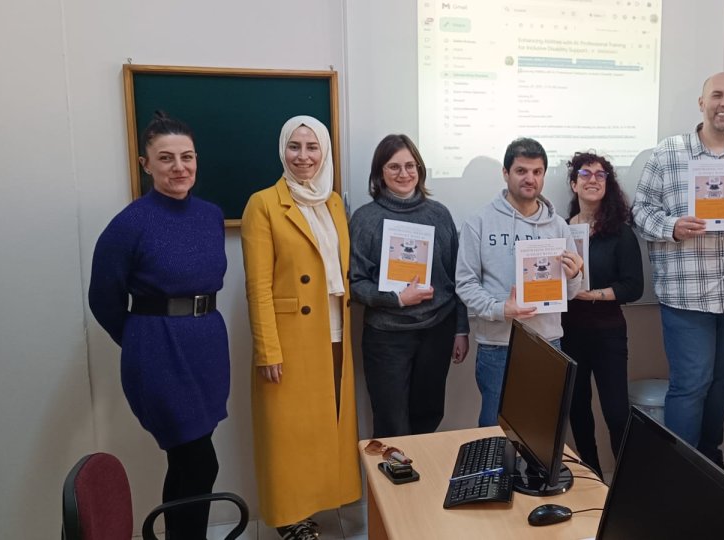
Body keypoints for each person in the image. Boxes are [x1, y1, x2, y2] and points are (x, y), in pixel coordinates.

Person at [630, 72, 724, 466]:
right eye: (717, 95)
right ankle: (684, 472)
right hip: (687, 293)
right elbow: (641, 211)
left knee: (722, 383)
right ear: (702, 103)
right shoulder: (668, 153)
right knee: (690, 384)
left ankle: (710, 461)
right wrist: (672, 227)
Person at [88, 111, 228, 539]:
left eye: (187, 156)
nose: (179, 167)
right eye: (166, 158)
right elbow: (103, 300)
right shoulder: (129, 225)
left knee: (185, 464)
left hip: (207, 352)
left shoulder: (210, 215)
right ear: (145, 164)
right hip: (159, 356)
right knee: (201, 463)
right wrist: (140, 342)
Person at [241, 115, 359, 539]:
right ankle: (288, 518)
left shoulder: (333, 203)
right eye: (295, 146)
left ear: (324, 152)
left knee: (324, 427)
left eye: (312, 147)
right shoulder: (263, 204)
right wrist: (267, 349)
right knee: (288, 434)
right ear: (282, 151)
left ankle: (319, 504)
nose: (303, 156)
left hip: (335, 331)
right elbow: (257, 286)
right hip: (291, 339)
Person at [455, 137, 585, 427]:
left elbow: (570, 293)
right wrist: (501, 309)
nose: (530, 179)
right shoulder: (479, 222)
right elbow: (465, 283)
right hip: (498, 344)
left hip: (548, 343)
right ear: (506, 173)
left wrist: (575, 275)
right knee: (495, 429)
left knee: (542, 428)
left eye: (537, 172)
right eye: (521, 171)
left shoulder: (558, 226)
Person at [349, 134, 470, 438]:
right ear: (380, 173)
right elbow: (356, 283)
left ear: (420, 169)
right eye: (394, 167)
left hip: (437, 331)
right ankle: (394, 471)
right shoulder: (365, 219)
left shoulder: (439, 214)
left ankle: (421, 471)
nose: (404, 174)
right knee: (392, 422)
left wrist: (460, 329)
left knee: (428, 415)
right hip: (387, 337)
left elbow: (457, 278)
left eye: (410, 166)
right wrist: (397, 299)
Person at [561, 151, 644, 477]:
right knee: (577, 409)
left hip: (608, 333)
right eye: (585, 174)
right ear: (574, 184)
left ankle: (626, 482)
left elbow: (634, 287)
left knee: (617, 413)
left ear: (607, 184)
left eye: (600, 175)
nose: (592, 180)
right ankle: (592, 476)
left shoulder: (621, 233)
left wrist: (593, 295)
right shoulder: (560, 230)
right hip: (568, 332)